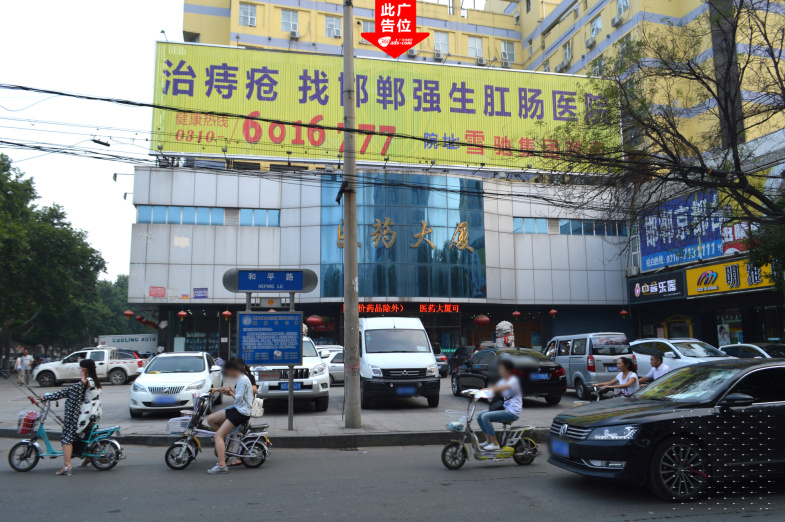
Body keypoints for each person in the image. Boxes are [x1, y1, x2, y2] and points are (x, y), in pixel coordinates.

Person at [39, 359, 102, 476]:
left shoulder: (86, 382)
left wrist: (48, 397)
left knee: (67, 437)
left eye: (80, 368)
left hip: (85, 415)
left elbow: (67, 391)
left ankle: (67, 465)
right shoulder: (94, 381)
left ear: (85, 369)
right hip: (93, 413)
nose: (79, 370)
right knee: (82, 436)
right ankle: (88, 458)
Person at [205, 358, 253, 474]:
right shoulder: (242, 378)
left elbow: (238, 398)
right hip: (238, 409)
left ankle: (222, 466)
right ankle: (225, 441)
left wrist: (229, 392)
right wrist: (218, 389)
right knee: (211, 419)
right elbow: (236, 394)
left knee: (218, 436)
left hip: (241, 412)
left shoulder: (242, 379)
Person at [475, 359, 522, 451]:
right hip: (505, 409)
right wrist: (479, 392)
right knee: (479, 415)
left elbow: (499, 388)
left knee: (485, 417)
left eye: (501, 369)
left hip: (512, 412)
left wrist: (484, 391)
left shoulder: (513, 380)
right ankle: (489, 441)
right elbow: (493, 388)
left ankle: (495, 443)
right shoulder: (504, 380)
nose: (500, 371)